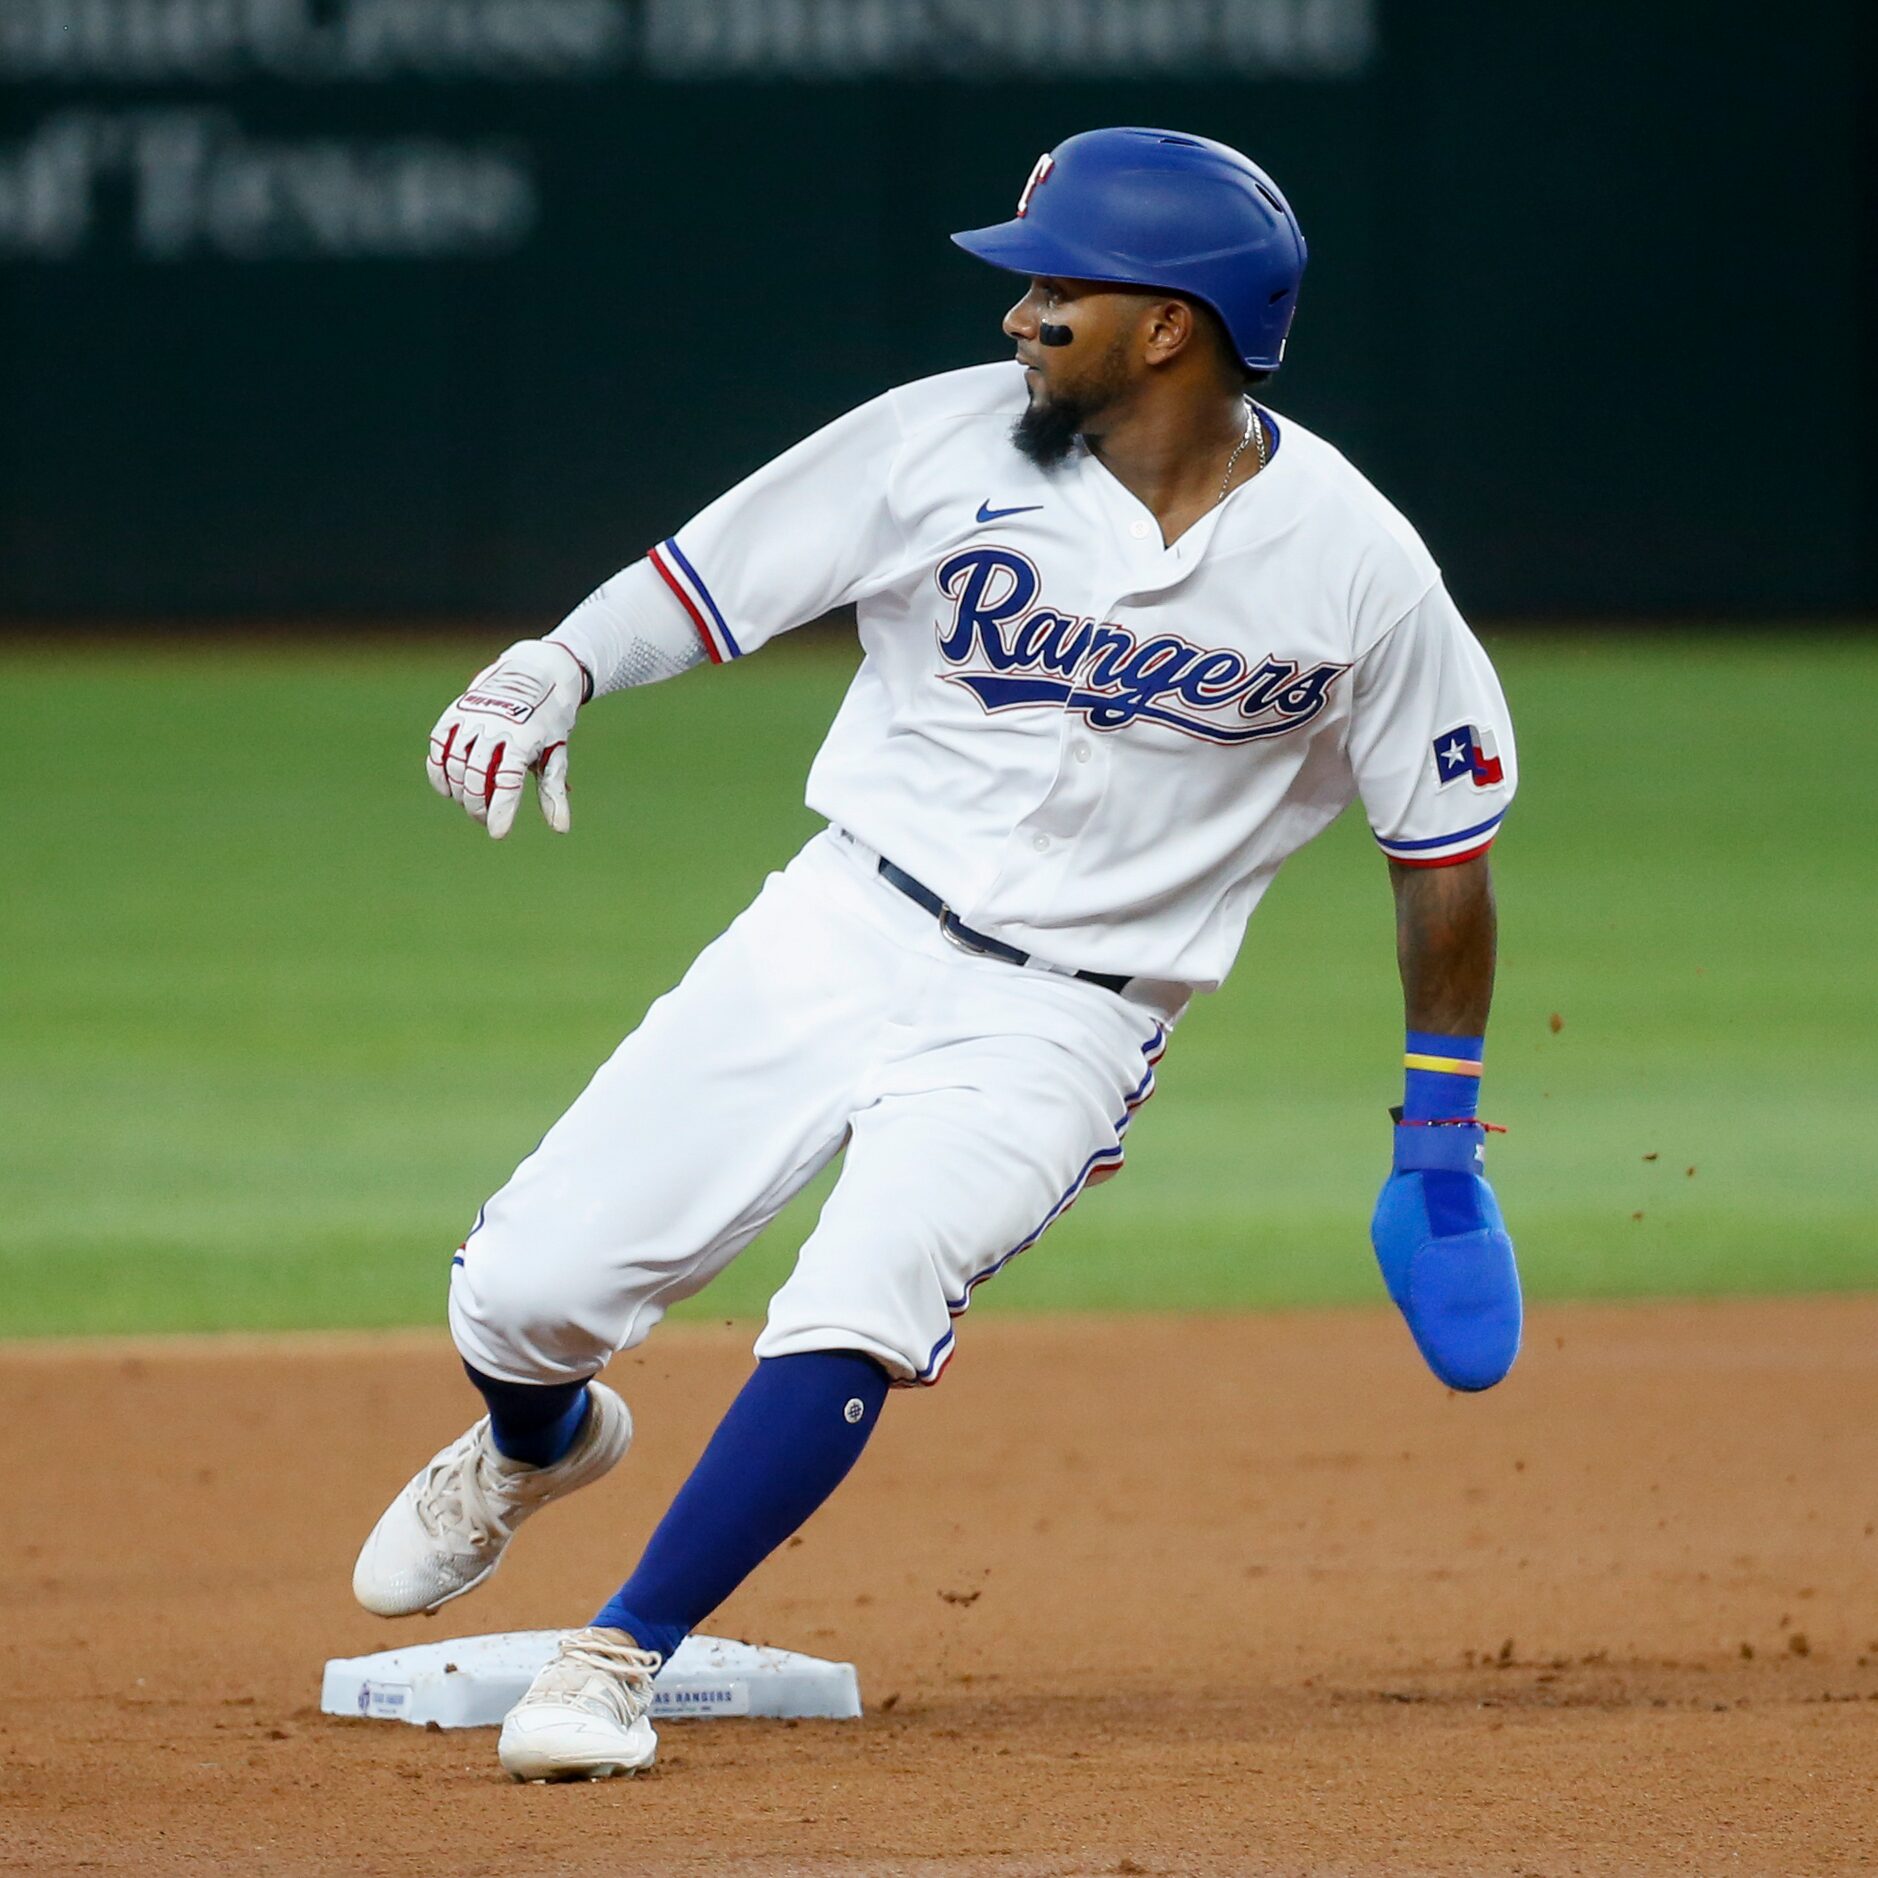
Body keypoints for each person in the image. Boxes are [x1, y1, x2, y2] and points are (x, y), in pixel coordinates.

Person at [352, 126, 1522, 1784]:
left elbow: (1442, 848)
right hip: (842, 919)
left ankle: (621, 1652)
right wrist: (558, 666)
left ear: (1168, 325)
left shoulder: (1358, 563)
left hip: (1068, 1014)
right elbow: (709, 578)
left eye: (1056, 286)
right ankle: (536, 1439)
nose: (1018, 316)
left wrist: (1438, 1134)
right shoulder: (937, 443)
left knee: (870, 1280)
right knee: (528, 1292)